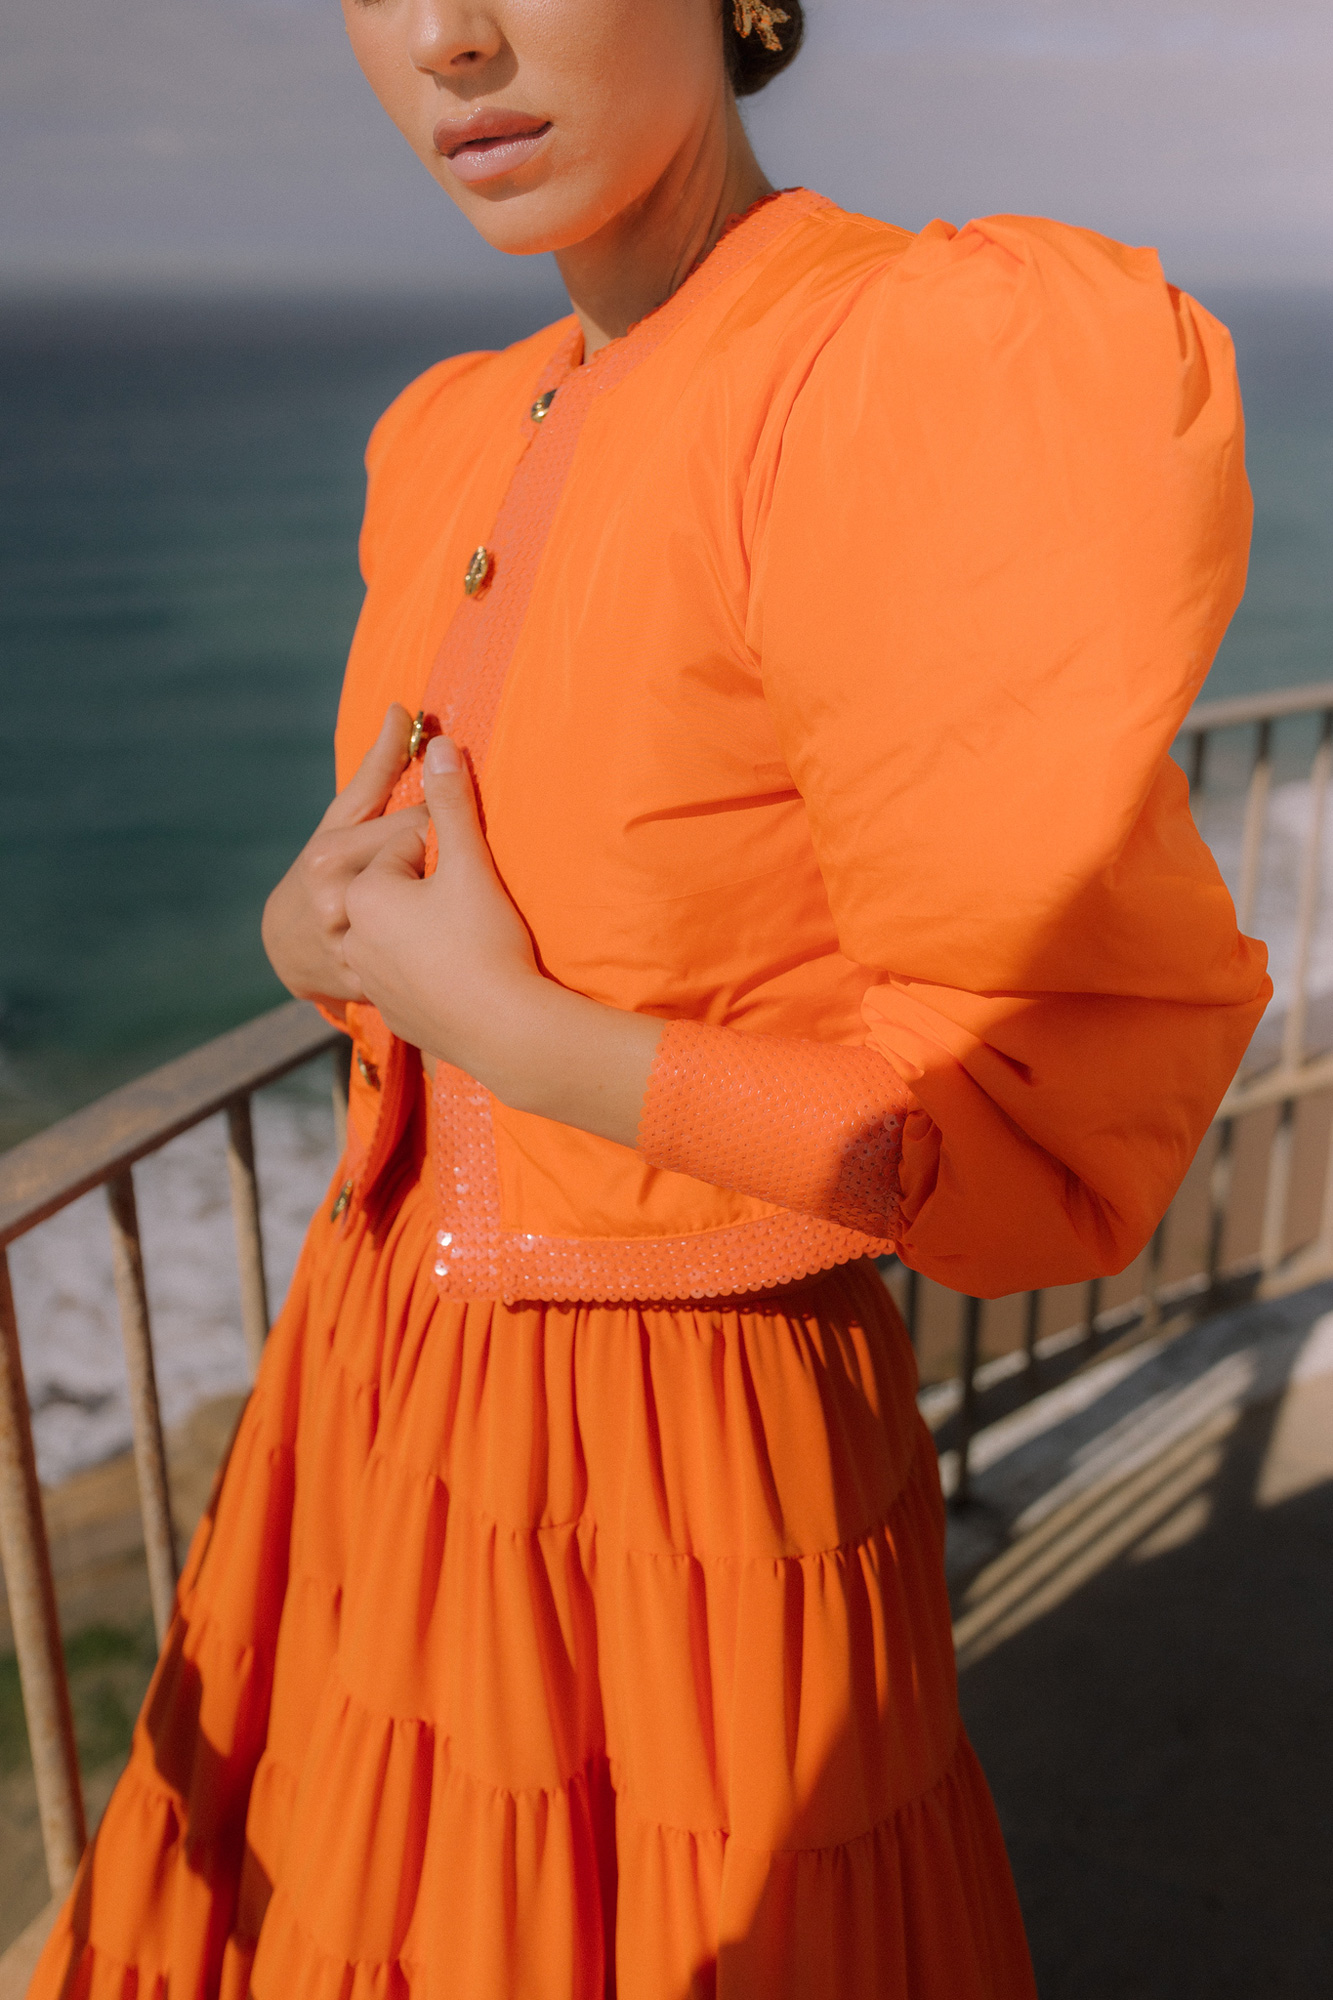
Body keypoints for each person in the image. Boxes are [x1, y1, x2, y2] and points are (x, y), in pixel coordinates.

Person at [30, 2, 1268, 1995]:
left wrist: (526, 1042)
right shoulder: (456, 428)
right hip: (369, 1390)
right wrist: (314, 939)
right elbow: (470, 917)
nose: (445, 39)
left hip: (681, 1459)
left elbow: (1005, 1129)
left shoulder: (899, 378)